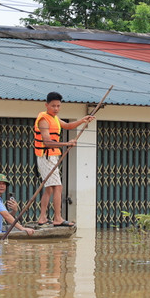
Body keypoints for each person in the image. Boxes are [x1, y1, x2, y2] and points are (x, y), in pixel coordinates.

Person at [34, 92, 95, 227]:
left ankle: (42, 217)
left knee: (49, 188)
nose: (56, 108)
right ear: (46, 105)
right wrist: (67, 144)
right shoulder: (43, 119)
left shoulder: (54, 118)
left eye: (58, 106)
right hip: (46, 155)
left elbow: (67, 126)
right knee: (58, 187)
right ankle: (57, 218)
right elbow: (47, 142)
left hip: (52, 155)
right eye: (53, 106)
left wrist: (82, 120)